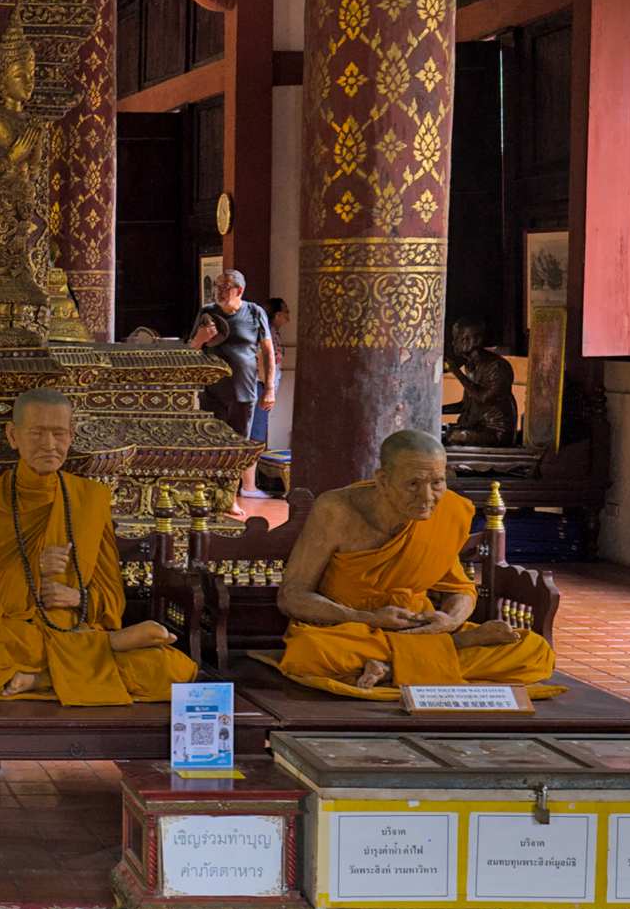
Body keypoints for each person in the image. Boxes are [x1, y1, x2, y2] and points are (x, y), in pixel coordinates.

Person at [0, 389, 196, 704]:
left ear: (71, 435)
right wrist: (34, 572)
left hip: (74, 626)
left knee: (172, 669)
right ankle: (107, 648)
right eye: (37, 433)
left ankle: (43, 677)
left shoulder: (91, 498)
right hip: (20, 631)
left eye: (58, 434)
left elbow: (112, 598)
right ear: (12, 436)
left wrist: (78, 598)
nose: (49, 445)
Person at [276, 430, 555, 696]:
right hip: (350, 629)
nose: (427, 498)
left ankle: (389, 669)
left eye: (437, 483)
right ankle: (451, 648)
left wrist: (450, 621)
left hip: (420, 628)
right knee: (310, 652)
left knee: (535, 651)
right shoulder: (336, 511)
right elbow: (292, 596)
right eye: (413, 484)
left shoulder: (449, 511)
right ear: (382, 480)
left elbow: (460, 589)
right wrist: (365, 618)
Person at [187, 269, 273, 512]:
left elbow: (267, 351)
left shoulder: (254, 312)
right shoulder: (207, 313)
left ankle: (229, 499)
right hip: (213, 392)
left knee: (237, 448)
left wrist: (270, 388)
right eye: (217, 286)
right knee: (213, 445)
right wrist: (201, 339)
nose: (220, 291)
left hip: (244, 392)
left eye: (225, 287)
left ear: (239, 290)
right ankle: (209, 497)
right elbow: (190, 350)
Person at [441, 316, 519, 447]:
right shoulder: (471, 366)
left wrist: (456, 371)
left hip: (496, 432)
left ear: (476, 340)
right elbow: (465, 405)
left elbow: (482, 398)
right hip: (476, 426)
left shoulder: (497, 366)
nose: (454, 343)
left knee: (454, 436)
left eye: (460, 338)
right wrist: (437, 411)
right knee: (442, 432)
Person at [251, 297, 289, 447]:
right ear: (277, 315)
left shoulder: (272, 332)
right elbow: (263, 359)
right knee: (257, 429)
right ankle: (253, 460)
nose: (288, 317)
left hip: (264, 386)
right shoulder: (267, 333)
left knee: (259, 426)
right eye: (286, 312)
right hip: (260, 386)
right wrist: (268, 388)